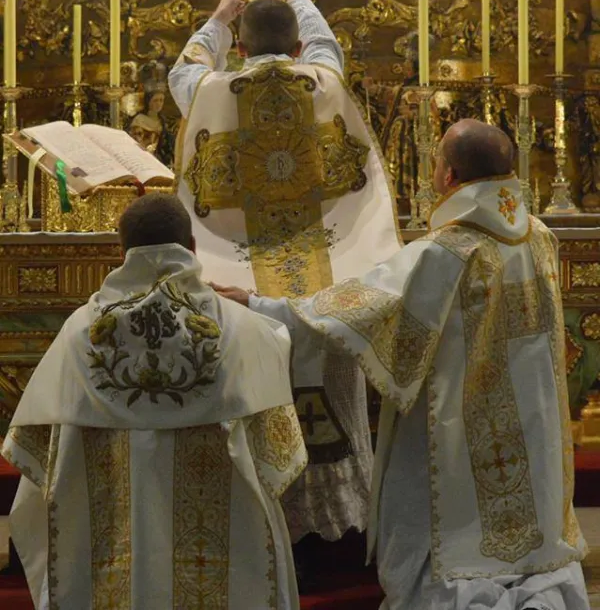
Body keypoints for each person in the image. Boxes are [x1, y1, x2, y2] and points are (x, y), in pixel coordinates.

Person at [219, 120, 590, 610]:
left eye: (437, 161)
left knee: (452, 530)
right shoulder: (539, 236)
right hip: (530, 416)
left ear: (450, 175)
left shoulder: (448, 251)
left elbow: (358, 310)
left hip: (456, 419)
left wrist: (260, 305)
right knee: (528, 526)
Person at [168, 0, 401, 552]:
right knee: (334, 382)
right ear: (296, 47)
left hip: (243, 283)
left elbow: (182, 71)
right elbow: (329, 45)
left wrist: (218, 18)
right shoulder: (321, 79)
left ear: (240, 48)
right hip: (325, 278)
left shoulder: (211, 89)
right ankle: (345, 526)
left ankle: (268, 520)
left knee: (257, 392)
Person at [2, 193, 306, 610]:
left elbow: (36, 453)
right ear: (193, 247)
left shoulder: (79, 334)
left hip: (112, 547)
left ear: (121, 252)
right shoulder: (244, 330)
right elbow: (280, 458)